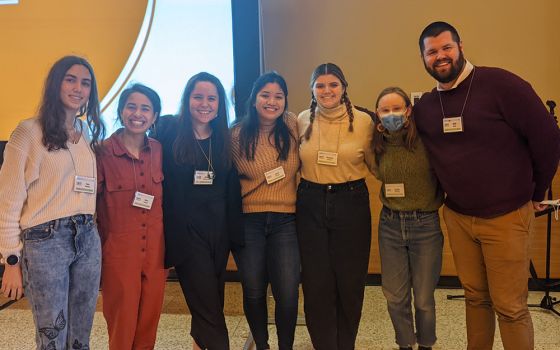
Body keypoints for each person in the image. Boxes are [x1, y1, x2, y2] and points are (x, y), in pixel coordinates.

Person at [414, 21, 560, 350]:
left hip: (506, 217)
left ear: (461, 47)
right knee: (475, 299)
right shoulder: (425, 107)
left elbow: (549, 139)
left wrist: (537, 193)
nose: (440, 56)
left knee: (509, 307)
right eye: (431, 52)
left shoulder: (502, 85)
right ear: (423, 59)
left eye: (446, 48)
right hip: (459, 217)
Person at [0, 55, 105, 349]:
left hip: (87, 238)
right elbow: (7, 201)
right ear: (55, 84)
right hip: (46, 242)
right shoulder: (28, 132)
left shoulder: (88, 135)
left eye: (85, 83)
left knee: (80, 337)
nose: (78, 88)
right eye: (70, 79)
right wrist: (10, 259)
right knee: (52, 337)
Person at [152, 72, 243, 350]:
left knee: (212, 298)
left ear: (219, 104)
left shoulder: (225, 138)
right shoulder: (168, 130)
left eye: (212, 98)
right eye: (198, 97)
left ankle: (199, 344)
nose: (205, 103)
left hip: (219, 232)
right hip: (186, 233)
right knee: (207, 305)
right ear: (187, 99)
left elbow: (230, 190)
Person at [297, 62, 375, 350]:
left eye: (333, 84)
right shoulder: (302, 119)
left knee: (350, 282)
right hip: (310, 202)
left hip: (351, 201)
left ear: (343, 88)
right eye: (320, 85)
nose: (327, 90)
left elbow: (378, 164)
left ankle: (345, 345)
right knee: (316, 283)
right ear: (312, 90)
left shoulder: (365, 121)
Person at [231, 72, 300, 350]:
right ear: (254, 99)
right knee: (254, 290)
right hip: (249, 221)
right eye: (265, 95)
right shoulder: (236, 135)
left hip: (286, 220)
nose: (272, 101)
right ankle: (262, 344)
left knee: (287, 291)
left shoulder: (293, 124)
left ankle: (286, 346)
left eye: (278, 96)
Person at [372, 87, 443, 350]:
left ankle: (425, 344)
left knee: (423, 299)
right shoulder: (376, 143)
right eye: (385, 110)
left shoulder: (426, 140)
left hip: (425, 224)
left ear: (408, 110)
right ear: (377, 115)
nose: (391, 115)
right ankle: (404, 344)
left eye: (397, 109)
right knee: (394, 297)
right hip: (390, 225)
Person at [96, 83, 166, 349]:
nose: (138, 114)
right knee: (122, 325)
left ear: (155, 116)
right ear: (121, 111)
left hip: (156, 254)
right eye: (132, 107)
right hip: (118, 254)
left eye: (146, 108)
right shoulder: (102, 152)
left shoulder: (160, 151)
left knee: (149, 324)